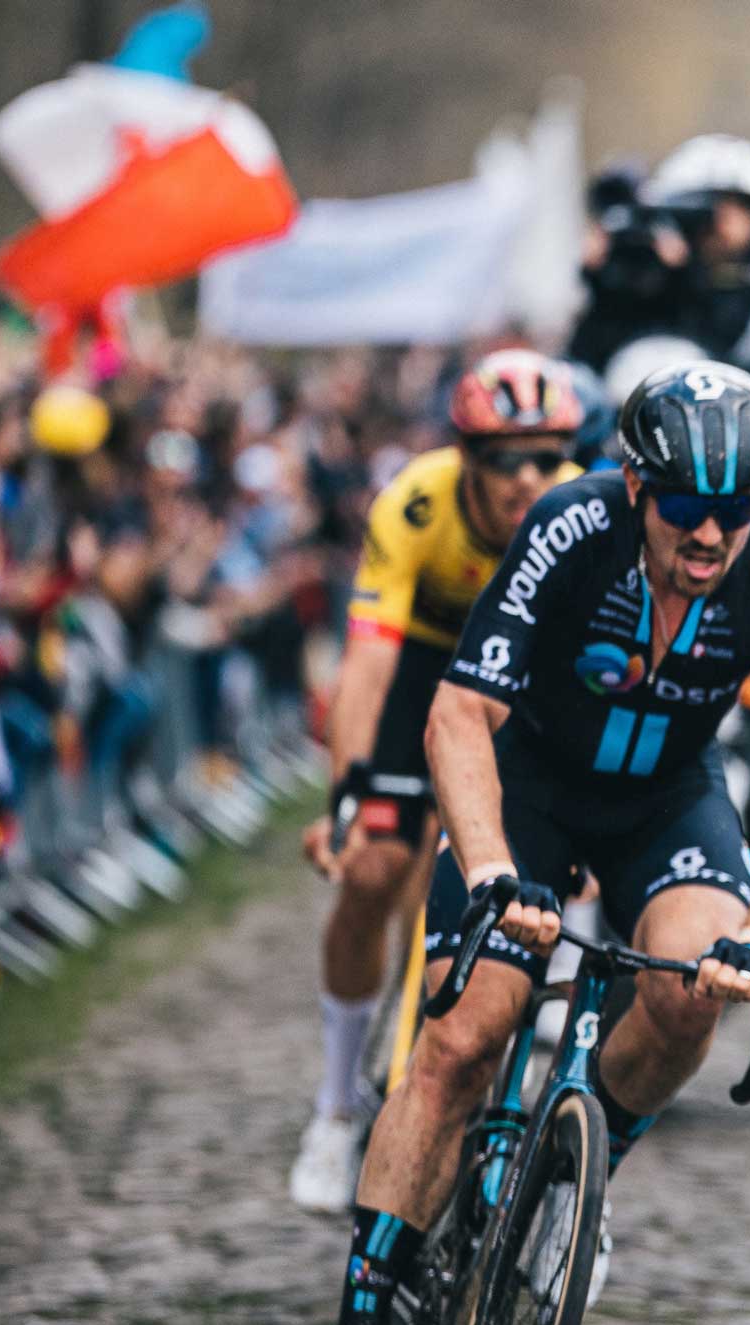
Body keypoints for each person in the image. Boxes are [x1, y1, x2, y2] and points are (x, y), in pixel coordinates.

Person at [332, 361, 750, 1325]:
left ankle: (577, 1173)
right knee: (465, 1036)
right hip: (532, 783)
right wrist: (489, 869)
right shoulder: (571, 522)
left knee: (694, 986)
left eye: (734, 508)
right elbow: (458, 713)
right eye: (686, 503)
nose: (708, 532)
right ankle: (368, 1293)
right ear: (638, 486)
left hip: (667, 799)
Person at [288, 349, 584, 1213]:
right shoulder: (415, 504)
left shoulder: (578, 513)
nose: (529, 476)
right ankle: (337, 1108)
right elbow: (369, 665)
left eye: (548, 454)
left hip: (517, 694)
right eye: (505, 458)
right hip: (419, 665)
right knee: (373, 873)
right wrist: (346, 793)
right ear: (466, 457)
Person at [567, 134, 750, 418]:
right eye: (698, 210)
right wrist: (602, 281)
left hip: (742, 452)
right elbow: (583, 373)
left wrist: (694, 282)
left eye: (735, 209)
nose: (715, 226)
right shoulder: (645, 290)